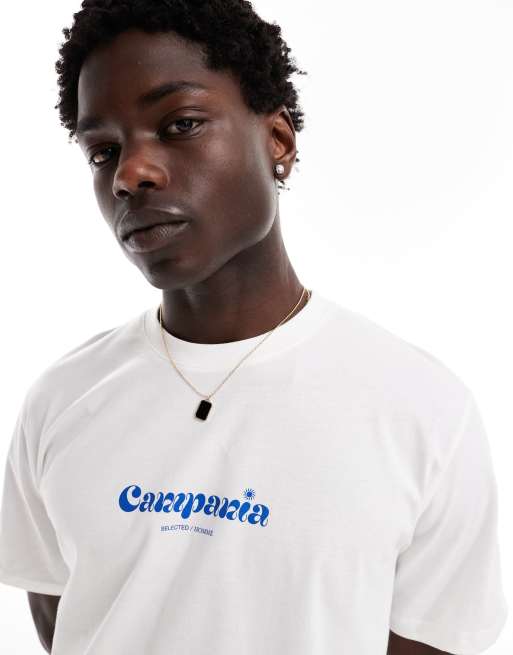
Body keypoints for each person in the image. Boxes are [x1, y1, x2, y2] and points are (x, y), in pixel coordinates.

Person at [0, 1, 508, 654]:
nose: (130, 174)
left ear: (278, 141)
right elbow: (68, 622)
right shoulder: (63, 398)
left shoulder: (421, 410)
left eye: (180, 124)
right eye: (104, 151)